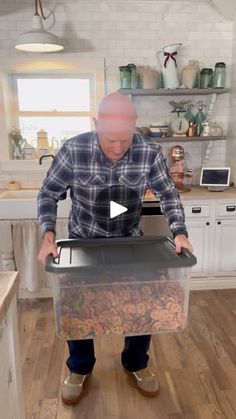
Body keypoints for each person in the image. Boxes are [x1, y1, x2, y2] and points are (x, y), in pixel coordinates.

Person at [37, 92, 193, 405]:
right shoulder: (73, 149)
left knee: (140, 304)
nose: (119, 149)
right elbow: (48, 194)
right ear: (96, 124)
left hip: (129, 242)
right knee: (78, 308)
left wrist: (180, 232)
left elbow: (168, 195)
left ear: (135, 125)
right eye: (110, 141)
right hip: (83, 243)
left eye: (125, 140)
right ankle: (79, 367)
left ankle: (136, 362)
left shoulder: (149, 152)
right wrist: (48, 235)